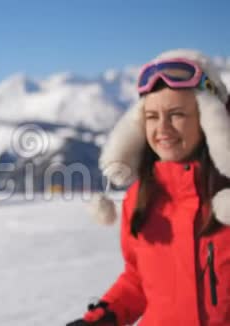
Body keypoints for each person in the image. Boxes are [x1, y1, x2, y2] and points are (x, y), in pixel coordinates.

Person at [68, 49, 230, 325]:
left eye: (177, 114)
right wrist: (104, 317)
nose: (162, 128)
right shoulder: (140, 198)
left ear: (208, 119)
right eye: (152, 116)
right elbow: (138, 280)